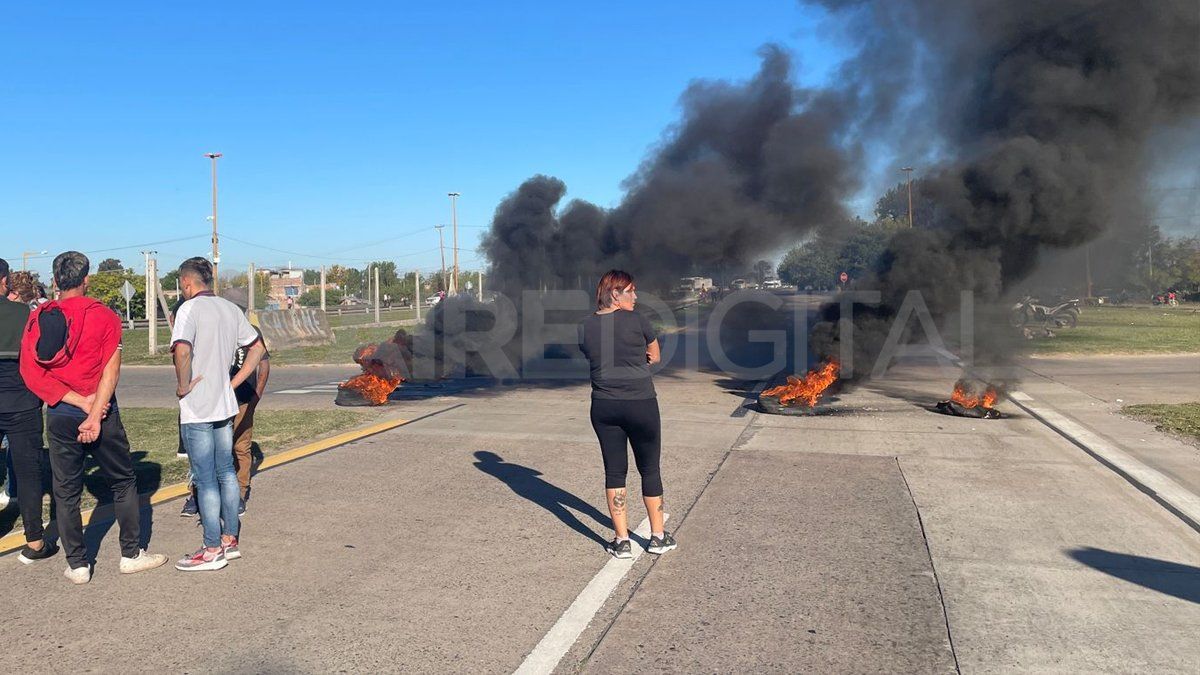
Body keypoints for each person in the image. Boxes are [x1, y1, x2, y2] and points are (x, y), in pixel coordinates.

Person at [19, 251, 168, 584]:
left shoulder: (39, 317)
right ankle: (131, 554)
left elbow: (31, 373)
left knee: (66, 489)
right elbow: (110, 370)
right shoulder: (104, 316)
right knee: (123, 481)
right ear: (86, 280)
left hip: (60, 413)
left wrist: (74, 401)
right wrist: (95, 412)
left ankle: (77, 564)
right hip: (103, 411)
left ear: (55, 281)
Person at [171, 257, 265, 571]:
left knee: (205, 477)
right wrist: (233, 381)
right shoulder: (229, 309)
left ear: (187, 283)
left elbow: (182, 349)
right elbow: (257, 349)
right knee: (226, 471)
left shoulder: (188, 309)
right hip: (224, 404)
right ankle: (230, 539)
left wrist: (183, 385)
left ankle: (211, 548)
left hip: (198, 406)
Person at [577, 270, 676, 559]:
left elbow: (592, 355)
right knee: (649, 469)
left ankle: (622, 541)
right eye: (630, 291)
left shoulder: (585, 325)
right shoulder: (639, 320)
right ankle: (658, 537)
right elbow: (655, 356)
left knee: (615, 471)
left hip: (604, 407)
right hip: (641, 404)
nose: (635, 296)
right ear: (615, 294)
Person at [0, 259, 58, 563]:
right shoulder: (27, 314)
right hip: (22, 400)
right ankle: (35, 540)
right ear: (5, 281)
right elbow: (46, 354)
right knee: (27, 471)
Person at [231, 323, 269, 514]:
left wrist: (256, 397)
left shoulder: (252, 332)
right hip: (218, 400)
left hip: (243, 399)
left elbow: (264, 365)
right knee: (212, 449)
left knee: (241, 447)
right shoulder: (216, 326)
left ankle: (240, 492)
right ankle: (198, 494)